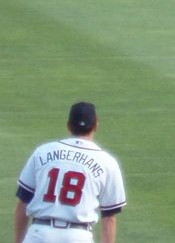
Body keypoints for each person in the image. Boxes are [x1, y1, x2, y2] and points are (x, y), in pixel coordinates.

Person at [14, 102, 126, 243]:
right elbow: (109, 218)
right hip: (78, 237)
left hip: (39, 234)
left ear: (68, 125)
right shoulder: (107, 162)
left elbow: (23, 203)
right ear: (96, 125)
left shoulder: (43, 152)